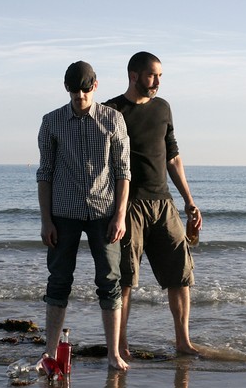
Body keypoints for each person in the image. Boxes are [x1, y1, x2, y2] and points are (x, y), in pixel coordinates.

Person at [104, 52, 202, 358]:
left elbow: (172, 155)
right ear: (133, 75)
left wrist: (189, 200)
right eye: (151, 75)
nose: (157, 82)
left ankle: (183, 342)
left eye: (160, 76)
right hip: (129, 206)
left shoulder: (163, 108)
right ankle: (120, 344)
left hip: (163, 204)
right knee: (126, 278)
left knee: (180, 273)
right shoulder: (111, 110)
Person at [36, 61, 131, 370]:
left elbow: (123, 172)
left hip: (104, 213)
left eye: (85, 89)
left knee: (109, 280)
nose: (80, 95)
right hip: (63, 213)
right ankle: (49, 353)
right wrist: (46, 220)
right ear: (66, 88)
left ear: (96, 85)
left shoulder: (112, 120)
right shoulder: (51, 122)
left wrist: (120, 215)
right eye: (74, 90)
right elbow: (45, 173)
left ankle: (113, 354)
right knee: (59, 280)